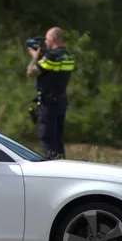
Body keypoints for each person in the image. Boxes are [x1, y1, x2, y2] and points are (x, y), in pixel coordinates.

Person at [26, 27, 75, 160]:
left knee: (46, 138)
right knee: (58, 138)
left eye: (46, 39)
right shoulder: (68, 55)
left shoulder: (51, 57)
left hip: (48, 103)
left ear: (52, 39)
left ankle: (51, 164)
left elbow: (31, 71)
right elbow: (52, 71)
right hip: (60, 101)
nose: (45, 42)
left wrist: (35, 58)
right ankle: (61, 162)